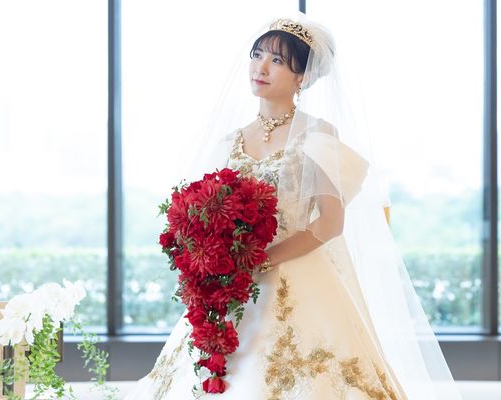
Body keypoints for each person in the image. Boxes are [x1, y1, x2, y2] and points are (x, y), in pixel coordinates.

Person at [125, 13, 463, 400]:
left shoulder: (317, 134)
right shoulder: (230, 142)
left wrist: (262, 260)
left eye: (277, 61)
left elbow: (331, 222)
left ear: (301, 76)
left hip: (296, 272)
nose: (261, 67)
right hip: (234, 284)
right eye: (257, 55)